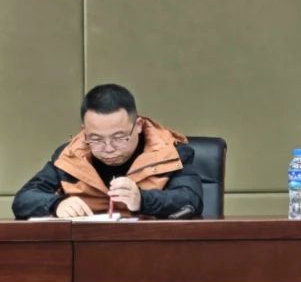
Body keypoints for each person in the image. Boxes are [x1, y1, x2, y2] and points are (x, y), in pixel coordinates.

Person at [12, 84, 203, 219]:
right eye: (96, 139)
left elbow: (191, 200)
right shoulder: (69, 157)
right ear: (84, 131)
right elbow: (23, 199)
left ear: (138, 125)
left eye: (119, 137)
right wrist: (56, 204)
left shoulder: (170, 153)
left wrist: (142, 200)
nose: (109, 148)